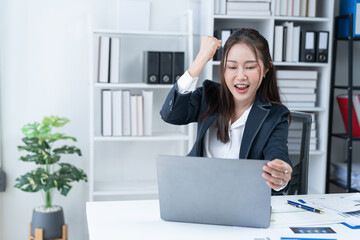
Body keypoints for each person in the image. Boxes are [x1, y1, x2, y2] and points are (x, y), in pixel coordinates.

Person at [160, 28, 292, 193]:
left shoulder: (276, 115)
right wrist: (201, 59)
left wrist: (280, 176)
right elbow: (170, 114)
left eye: (250, 67)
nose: (240, 76)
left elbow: (277, 156)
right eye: (231, 67)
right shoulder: (209, 95)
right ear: (223, 68)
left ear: (266, 69)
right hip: (196, 194)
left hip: (242, 201)